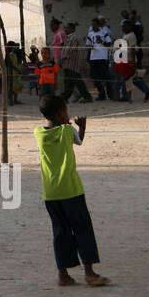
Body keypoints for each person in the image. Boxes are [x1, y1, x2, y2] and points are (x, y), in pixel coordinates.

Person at [35, 94, 110, 287]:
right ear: (61, 113)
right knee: (83, 229)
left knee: (60, 233)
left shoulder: (39, 134)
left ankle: (63, 274)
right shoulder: (67, 131)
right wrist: (81, 126)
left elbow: (58, 133)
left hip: (51, 193)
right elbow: (79, 140)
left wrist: (65, 123)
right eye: (66, 111)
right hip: (71, 191)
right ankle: (89, 273)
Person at [113, 20, 149, 102]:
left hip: (129, 60)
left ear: (129, 27)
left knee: (128, 77)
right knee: (131, 77)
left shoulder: (130, 36)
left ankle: (128, 96)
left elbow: (132, 49)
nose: (123, 28)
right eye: (122, 26)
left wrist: (132, 62)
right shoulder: (127, 35)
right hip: (126, 59)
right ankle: (146, 91)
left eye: (125, 26)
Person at [59, 22, 94, 103]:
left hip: (72, 63)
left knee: (77, 81)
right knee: (69, 82)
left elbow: (68, 51)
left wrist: (62, 60)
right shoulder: (68, 38)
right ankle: (65, 97)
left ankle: (87, 96)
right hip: (68, 64)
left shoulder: (73, 38)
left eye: (67, 28)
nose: (65, 29)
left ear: (72, 29)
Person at [86, 19, 114, 101]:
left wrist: (101, 42)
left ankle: (110, 94)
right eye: (92, 25)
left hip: (102, 57)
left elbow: (109, 43)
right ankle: (102, 94)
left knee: (106, 76)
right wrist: (90, 48)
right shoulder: (90, 34)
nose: (93, 26)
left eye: (95, 24)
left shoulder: (103, 33)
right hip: (94, 57)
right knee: (95, 77)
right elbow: (88, 45)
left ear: (98, 25)